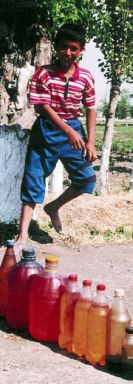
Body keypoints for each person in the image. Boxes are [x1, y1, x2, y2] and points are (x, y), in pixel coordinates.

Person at [16, 22, 97, 246]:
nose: (68, 53)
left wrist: (90, 142)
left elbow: (90, 108)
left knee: (86, 179)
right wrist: (69, 131)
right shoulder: (44, 74)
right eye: (63, 47)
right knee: (33, 180)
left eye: (74, 48)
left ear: (80, 50)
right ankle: (22, 234)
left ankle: (53, 207)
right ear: (55, 47)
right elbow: (43, 107)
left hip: (74, 134)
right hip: (47, 131)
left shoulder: (86, 77)